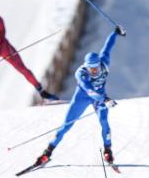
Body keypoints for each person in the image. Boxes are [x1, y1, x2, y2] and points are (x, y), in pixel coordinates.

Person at [34, 25, 126, 166]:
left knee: (104, 122)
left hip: (100, 98)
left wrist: (115, 33)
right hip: (82, 98)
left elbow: (108, 47)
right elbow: (89, 90)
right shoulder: (81, 73)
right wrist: (105, 99)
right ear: (86, 66)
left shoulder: (104, 63)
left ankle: (108, 150)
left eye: (95, 67)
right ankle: (47, 152)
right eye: (91, 68)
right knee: (66, 125)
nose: (94, 71)